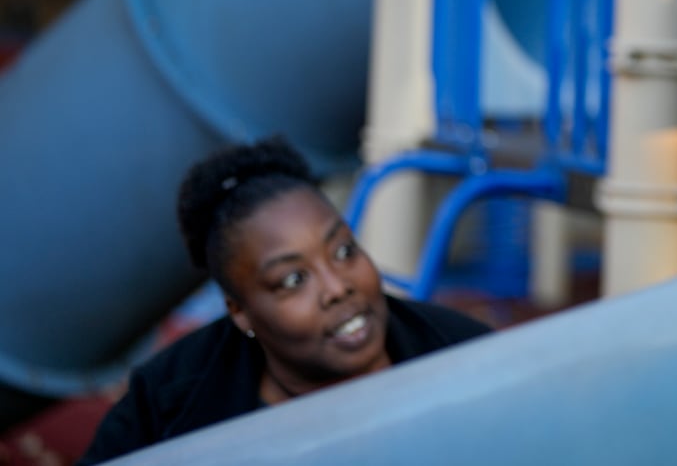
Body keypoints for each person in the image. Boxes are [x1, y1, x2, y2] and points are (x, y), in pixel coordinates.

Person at [79, 137, 491, 463]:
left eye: (344, 252)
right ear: (240, 312)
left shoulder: (464, 359)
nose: (337, 288)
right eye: (293, 279)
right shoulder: (170, 400)